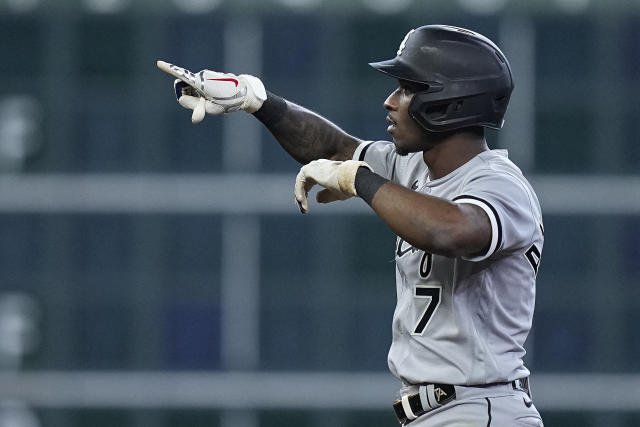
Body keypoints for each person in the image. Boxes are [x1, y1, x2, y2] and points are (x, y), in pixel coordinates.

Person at [158, 24, 544, 426]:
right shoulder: (414, 167)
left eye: (408, 88)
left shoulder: (499, 182)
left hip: (479, 409)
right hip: (444, 413)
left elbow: (453, 230)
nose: (390, 101)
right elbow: (334, 148)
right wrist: (257, 100)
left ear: (450, 102)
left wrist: (359, 179)